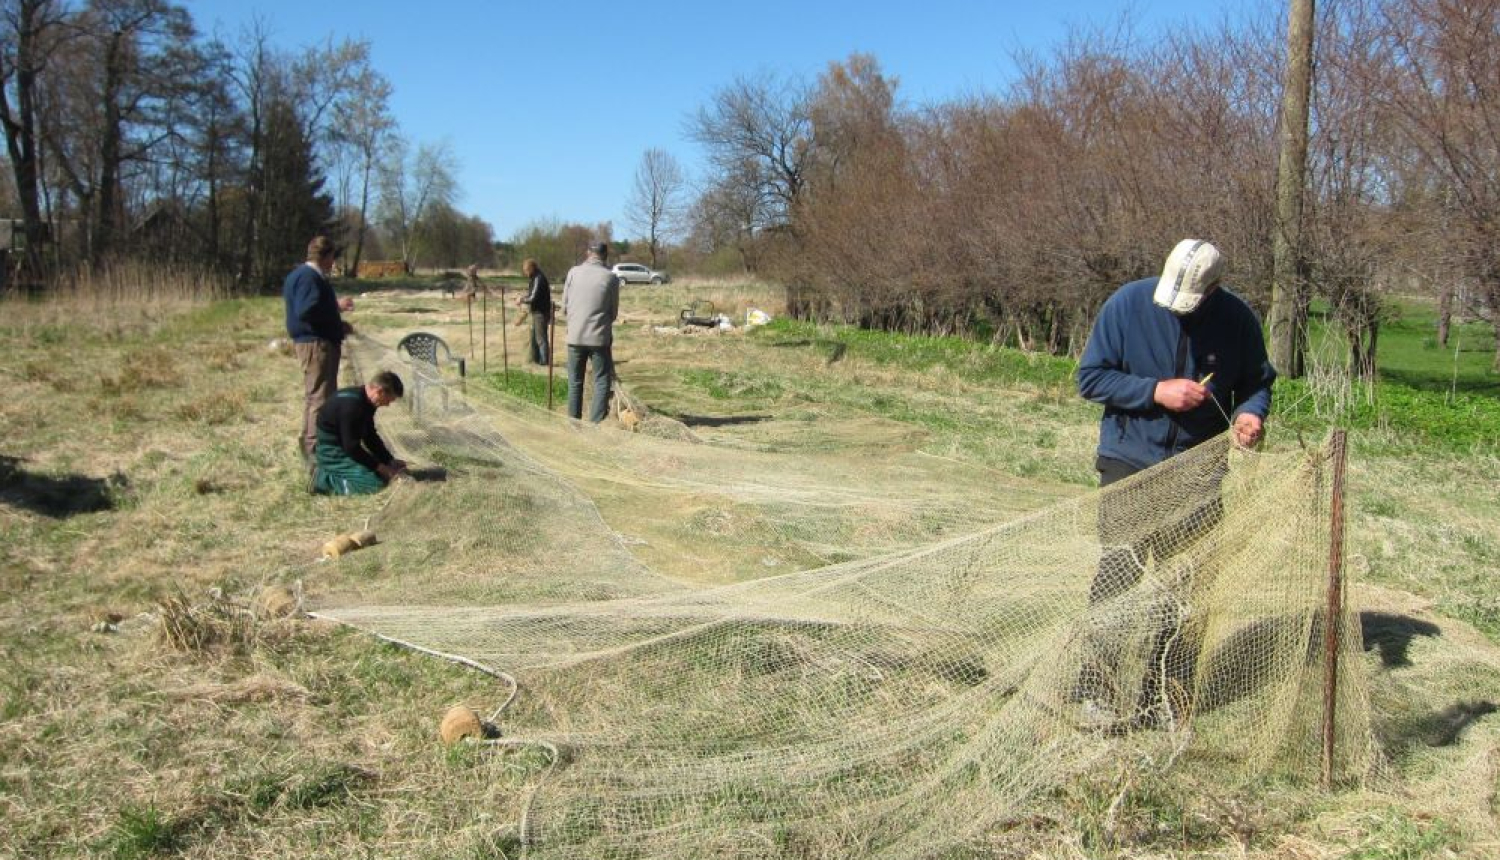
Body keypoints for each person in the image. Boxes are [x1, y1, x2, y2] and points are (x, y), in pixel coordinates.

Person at [1073, 239, 1277, 728]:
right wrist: (1154, 392)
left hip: (1198, 469)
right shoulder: (1126, 303)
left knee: (1183, 585)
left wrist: (1251, 414)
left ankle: (1161, 694)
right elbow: (1090, 379)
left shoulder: (1238, 320)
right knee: (1119, 575)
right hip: (1129, 459)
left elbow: (1258, 380)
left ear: (1213, 290)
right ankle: (1095, 688)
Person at [284, 236, 354, 463]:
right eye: (332, 256)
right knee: (321, 397)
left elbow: (311, 310)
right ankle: (315, 450)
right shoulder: (309, 277)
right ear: (326, 256)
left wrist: (337, 323)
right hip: (317, 344)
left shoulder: (301, 275)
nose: (333, 262)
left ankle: (309, 441)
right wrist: (335, 311)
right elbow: (307, 310)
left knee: (314, 395)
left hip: (315, 341)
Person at [311, 371, 408, 496]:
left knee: (381, 476)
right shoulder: (352, 407)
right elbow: (351, 447)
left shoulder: (365, 402)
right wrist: (382, 468)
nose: (388, 405)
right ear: (379, 391)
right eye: (388, 400)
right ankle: (322, 480)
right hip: (331, 451)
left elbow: (370, 436)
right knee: (373, 485)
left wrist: (389, 460)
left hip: (344, 445)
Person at [561, 241, 620, 422]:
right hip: (599, 338)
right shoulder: (610, 277)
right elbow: (613, 312)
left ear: (588, 253)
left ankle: (573, 422)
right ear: (605, 256)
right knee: (601, 381)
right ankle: (594, 425)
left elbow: (564, 307)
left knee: (574, 382)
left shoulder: (573, 272)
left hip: (575, 337)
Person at [519, 258, 553, 365]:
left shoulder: (539, 278)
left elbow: (533, 297)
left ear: (532, 268)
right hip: (536, 312)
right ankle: (536, 360)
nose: (525, 272)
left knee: (541, 338)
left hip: (541, 313)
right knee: (535, 337)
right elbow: (531, 294)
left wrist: (522, 300)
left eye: (526, 270)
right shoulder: (534, 278)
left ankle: (544, 362)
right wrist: (523, 297)